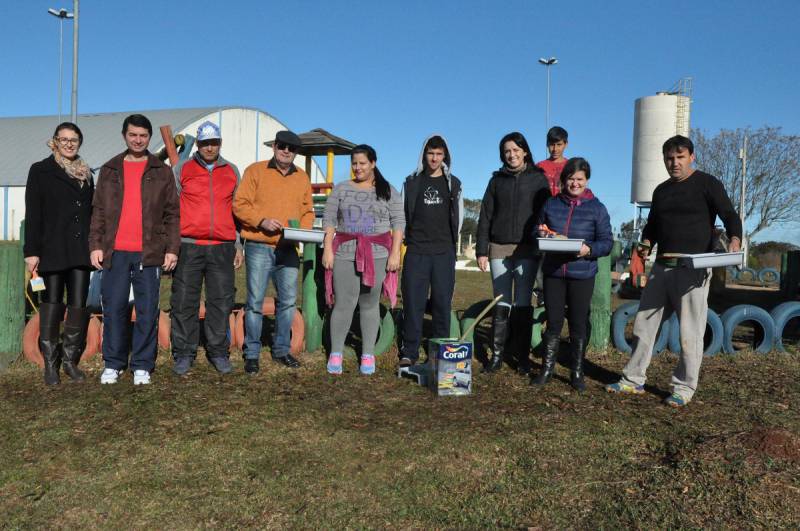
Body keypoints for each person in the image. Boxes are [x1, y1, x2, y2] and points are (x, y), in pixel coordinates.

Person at [606, 135, 742, 407]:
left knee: (690, 332)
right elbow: (652, 226)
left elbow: (729, 214)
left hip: (693, 270)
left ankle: (684, 387)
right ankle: (633, 380)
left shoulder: (707, 183)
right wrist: (644, 245)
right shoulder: (661, 191)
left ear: (692, 156)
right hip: (661, 268)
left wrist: (735, 240)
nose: (674, 163)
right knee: (644, 326)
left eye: (680, 157)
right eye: (669, 158)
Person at [89, 114, 181, 385]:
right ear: (125, 136)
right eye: (133, 135)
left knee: (146, 309)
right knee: (114, 308)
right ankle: (113, 363)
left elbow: (172, 214)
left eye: (143, 135)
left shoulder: (160, 171)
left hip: (149, 253)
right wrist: (96, 245)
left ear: (149, 138)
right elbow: (99, 212)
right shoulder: (110, 169)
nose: (138, 140)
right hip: (114, 252)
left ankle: (142, 363)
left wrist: (172, 249)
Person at [233, 130, 313, 373]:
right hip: (259, 245)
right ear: (274, 146)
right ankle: (252, 353)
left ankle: (281, 350)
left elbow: (308, 211)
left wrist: (303, 231)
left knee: (288, 302)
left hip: (288, 248)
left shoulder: (302, 177)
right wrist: (261, 221)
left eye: (292, 148)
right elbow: (239, 204)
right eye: (282, 146)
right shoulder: (255, 171)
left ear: (296, 152)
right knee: (255, 302)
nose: (286, 151)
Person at [322, 144, 404, 375]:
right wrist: (328, 249)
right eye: (354, 163)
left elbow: (398, 222)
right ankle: (336, 352)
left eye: (362, 163)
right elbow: (329, 220)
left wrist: (395, 252)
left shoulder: (388, 190)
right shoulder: (340, 189)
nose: (357, 168)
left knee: (369, 304)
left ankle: (368, 353)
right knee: (344, 303)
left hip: (377, 254)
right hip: (344, 253)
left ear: (373, 164)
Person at [531, 157, 613, 390]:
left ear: (586, 180)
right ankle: (547, 368)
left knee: (578, 323)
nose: (575, 183)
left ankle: (577, 371)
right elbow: (535, 230)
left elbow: (606, 242)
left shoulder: (597, 208)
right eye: (570, 178)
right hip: (554, 272)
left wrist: (590, 249)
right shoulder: (551, 204)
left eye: (580, 179)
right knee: (554, 322)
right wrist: (541, 235)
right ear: (563, 179)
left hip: (582, 274)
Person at [170, 121, 243, 375]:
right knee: (183, 302)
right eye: (204, 143)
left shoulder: (232, 171)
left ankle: (218, 352)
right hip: (188, 246)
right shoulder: (182, 169)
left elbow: (236, 211)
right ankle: (184, 353)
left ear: (220, 143)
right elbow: (172, 208)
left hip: (221, 246)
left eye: (214, 142)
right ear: (198, 144)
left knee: (220, 302)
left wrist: (237, 244)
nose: (209, 147)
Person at [24, 122, 94, 385]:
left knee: (78, 304)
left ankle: (69, 362)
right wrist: (32, 251)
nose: (69, 143)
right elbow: (33, 214)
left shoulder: (86, 173)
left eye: (74, 139)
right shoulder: (41, 170)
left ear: (79, 141)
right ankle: (50, 364)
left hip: (79, 251)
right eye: (63, 139)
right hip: (52, 249)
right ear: (54, 141)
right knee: (52, 304)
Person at [476, 132, 550, 374]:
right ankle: (497, 355)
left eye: (516, 150)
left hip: (527, 250)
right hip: (498, 248)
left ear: (525, 151)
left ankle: (522, 357)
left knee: (522, 303)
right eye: (507, 151)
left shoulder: (538, 179)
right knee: (501, 301)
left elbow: (545, 213)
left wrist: (543, 242)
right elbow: (485, 215)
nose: (512, 154)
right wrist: (481, 249)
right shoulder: (496, 181)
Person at [398, 135, 463, 367]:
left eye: (438, 154)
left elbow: (459, 216)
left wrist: (453, 244)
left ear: (445, 156)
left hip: (443, 251)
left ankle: (440, 349)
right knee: (413, 302)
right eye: (430, 153)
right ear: (424, 154)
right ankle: (410, 350)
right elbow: (402, 216)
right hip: (416, 250)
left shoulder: (453, 183)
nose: (434, 158)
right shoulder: (411, 182)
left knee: (442, 302)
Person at [536, 126, 570, 197]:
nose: (555, 149)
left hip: (565, 207)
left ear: (566, 144)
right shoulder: (539, 166)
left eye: (559, 145)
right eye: (552, 145)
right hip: (544, 206)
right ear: (547, 144)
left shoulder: (571, 166)